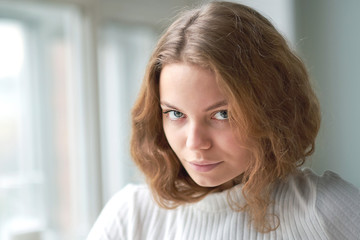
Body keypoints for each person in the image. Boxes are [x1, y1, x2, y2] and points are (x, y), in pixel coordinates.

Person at [87, 1, 360, 239]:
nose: (195, 143)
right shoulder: (131, 216)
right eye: (175, 114)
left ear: (272, 110)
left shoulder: (325, 210)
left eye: (222, 114)